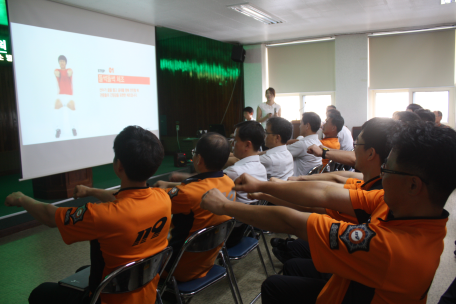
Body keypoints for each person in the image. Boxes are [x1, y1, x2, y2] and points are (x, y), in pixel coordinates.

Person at [200, 120, 456, 304]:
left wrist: (224, 206)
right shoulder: (403, 207)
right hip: (345, 286)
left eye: (389, 167)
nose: (383, 172)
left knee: (278, 283)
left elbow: (294, 222)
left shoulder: (393, 249)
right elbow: (327, 193)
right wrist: (266, 188)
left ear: (413, 184)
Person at [5, 126, 171, 304]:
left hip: (106, 299)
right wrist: (90, 191)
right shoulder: (164, 199)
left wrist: (21, 199)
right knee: (82, 270)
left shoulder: (100, 214)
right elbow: (126, 199)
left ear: (119, 165)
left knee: (39, 292)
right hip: (147, 293)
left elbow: (49, 216)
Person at [274, 118, 396, 263]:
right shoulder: (375, 186)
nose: (323, 125)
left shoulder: (379, 195)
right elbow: (340, 178)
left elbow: (325, 196)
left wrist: (265, 189)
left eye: (356, 144)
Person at [153, 133, 234, 282]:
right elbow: (202, 186)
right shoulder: (229, 182)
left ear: (199, 159)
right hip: (207, 261)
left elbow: (149, 202)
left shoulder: (186, 194)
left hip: (176, 268)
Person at [224, 121, 267, 204]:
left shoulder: (234, 171)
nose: (232, 143)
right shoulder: (262, 168)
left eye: (235, 140)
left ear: (247, 145)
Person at [54, 55, 77, 138]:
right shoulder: (57, 70)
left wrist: (67, 73)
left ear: (65, 62)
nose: (62, 63)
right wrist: (60, 74)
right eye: (60, 61)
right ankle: (58, 129)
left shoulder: (69, 70)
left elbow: (70, 72)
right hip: (61, 95)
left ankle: (74, 128)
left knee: (73, 109)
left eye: (63, 61)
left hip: (69, 95)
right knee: (56, 107)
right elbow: (56, 73)